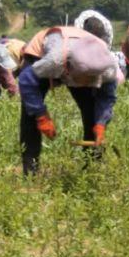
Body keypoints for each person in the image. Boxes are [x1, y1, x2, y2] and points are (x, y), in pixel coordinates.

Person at [18, 16, 119, 175]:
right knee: (29, 116)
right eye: (85, 80)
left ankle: (92, 169)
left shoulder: (107, 66)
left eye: (93, 80)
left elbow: (107, 97)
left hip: (78, 60)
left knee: (92, 113)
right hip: (44, 53)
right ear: (71, 69)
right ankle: (30, 171)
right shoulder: (54, 61)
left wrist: (101, 122)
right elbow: (26, 81)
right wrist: (41, 115)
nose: (87, 84)